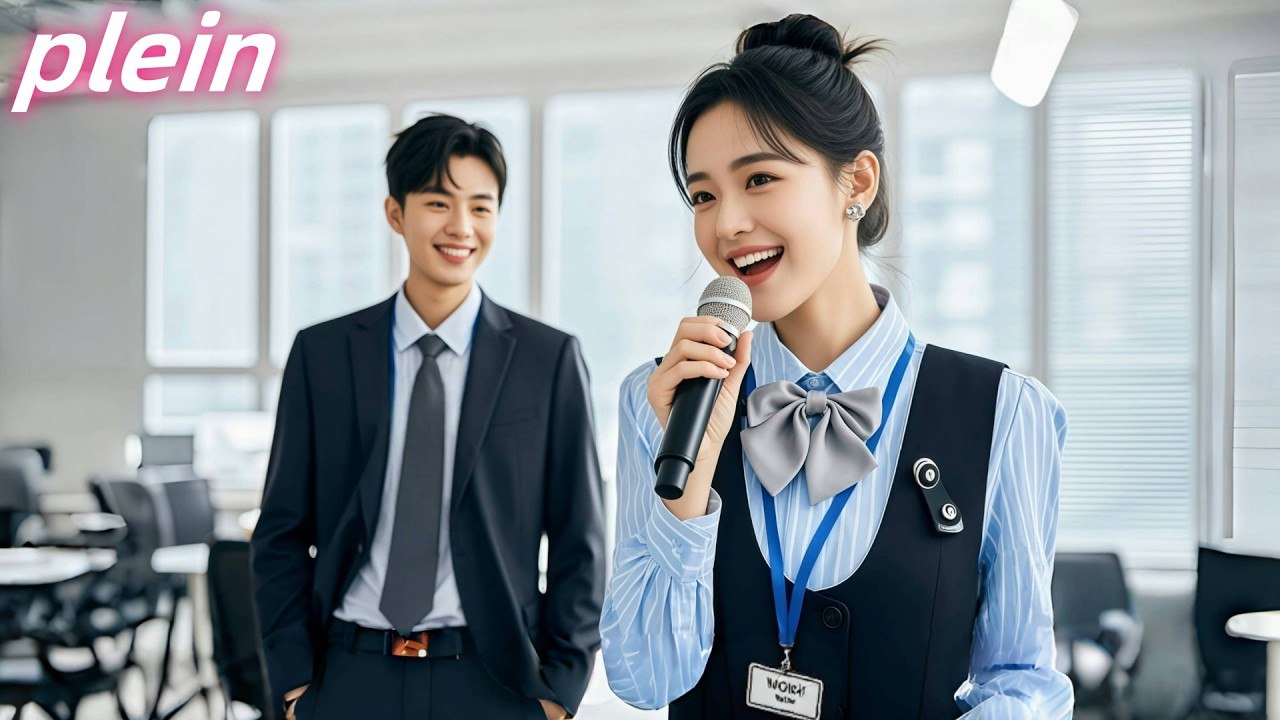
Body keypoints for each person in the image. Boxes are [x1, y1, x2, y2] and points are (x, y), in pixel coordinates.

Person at [600, 14, 1074, 719]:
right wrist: (688, 491)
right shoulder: (663, 399)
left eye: (758, 178)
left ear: (856, 182)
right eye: (703, 195)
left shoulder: (1004, 411)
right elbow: (644, 680)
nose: (725, 223)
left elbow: (1022, 678)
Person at [252, 114, 605, 720]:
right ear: (396, 213)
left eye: (481, 207)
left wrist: (559, 692)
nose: (461, 227)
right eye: (439, 202)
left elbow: (582, 541)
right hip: (346, 676)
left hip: (495, 683)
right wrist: (293, 685)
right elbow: (281, 532)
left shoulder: (548, 360)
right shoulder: (323, 356)